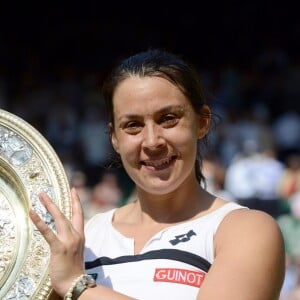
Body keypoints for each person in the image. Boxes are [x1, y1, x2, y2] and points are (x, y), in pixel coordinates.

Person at [29, 48, 285, 300]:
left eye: (169, 118)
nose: (152, 142)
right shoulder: (83, 241)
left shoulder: (245, 230)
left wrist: (78, 287)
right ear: (115, 139)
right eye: (133, 126)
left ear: (202, 122)